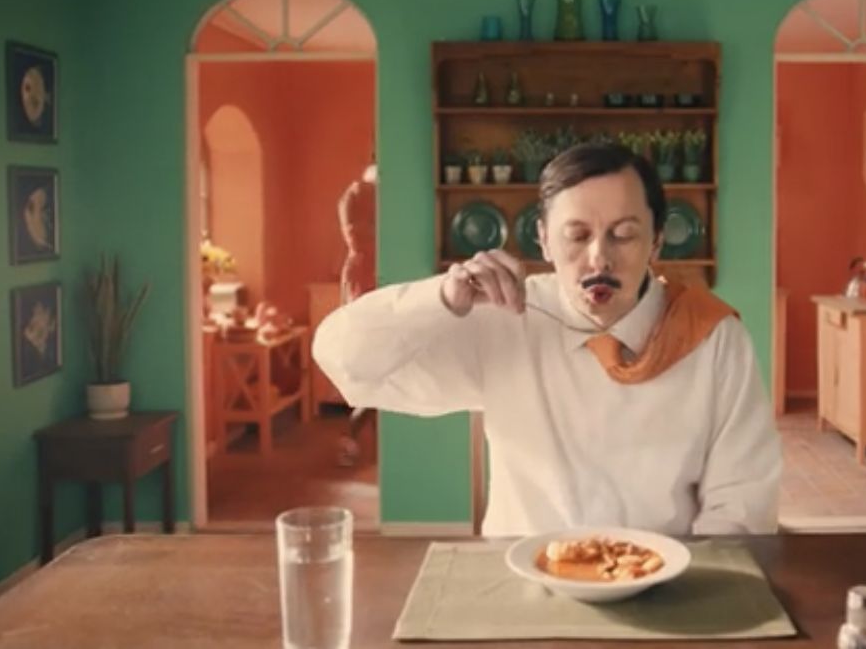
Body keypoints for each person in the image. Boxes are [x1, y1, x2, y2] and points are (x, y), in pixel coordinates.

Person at [313, 143, 781, 536]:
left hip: (667, 587)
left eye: (625, 235)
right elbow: (345, 362)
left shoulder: (714, 337)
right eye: (576, 236)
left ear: (657, 241)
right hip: (522, 587)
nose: (599, 258)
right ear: (543, 240)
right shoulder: (504, 318)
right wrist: (441, 299)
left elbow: (741, 505)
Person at [334, 163, 377, 467]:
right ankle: (351, 439)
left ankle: (361, 442)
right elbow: (358, 235)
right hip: (365, 282)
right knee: (373, 373)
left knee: (378, 374)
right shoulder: (357, 195)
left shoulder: (362, 196)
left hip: (371, 278)